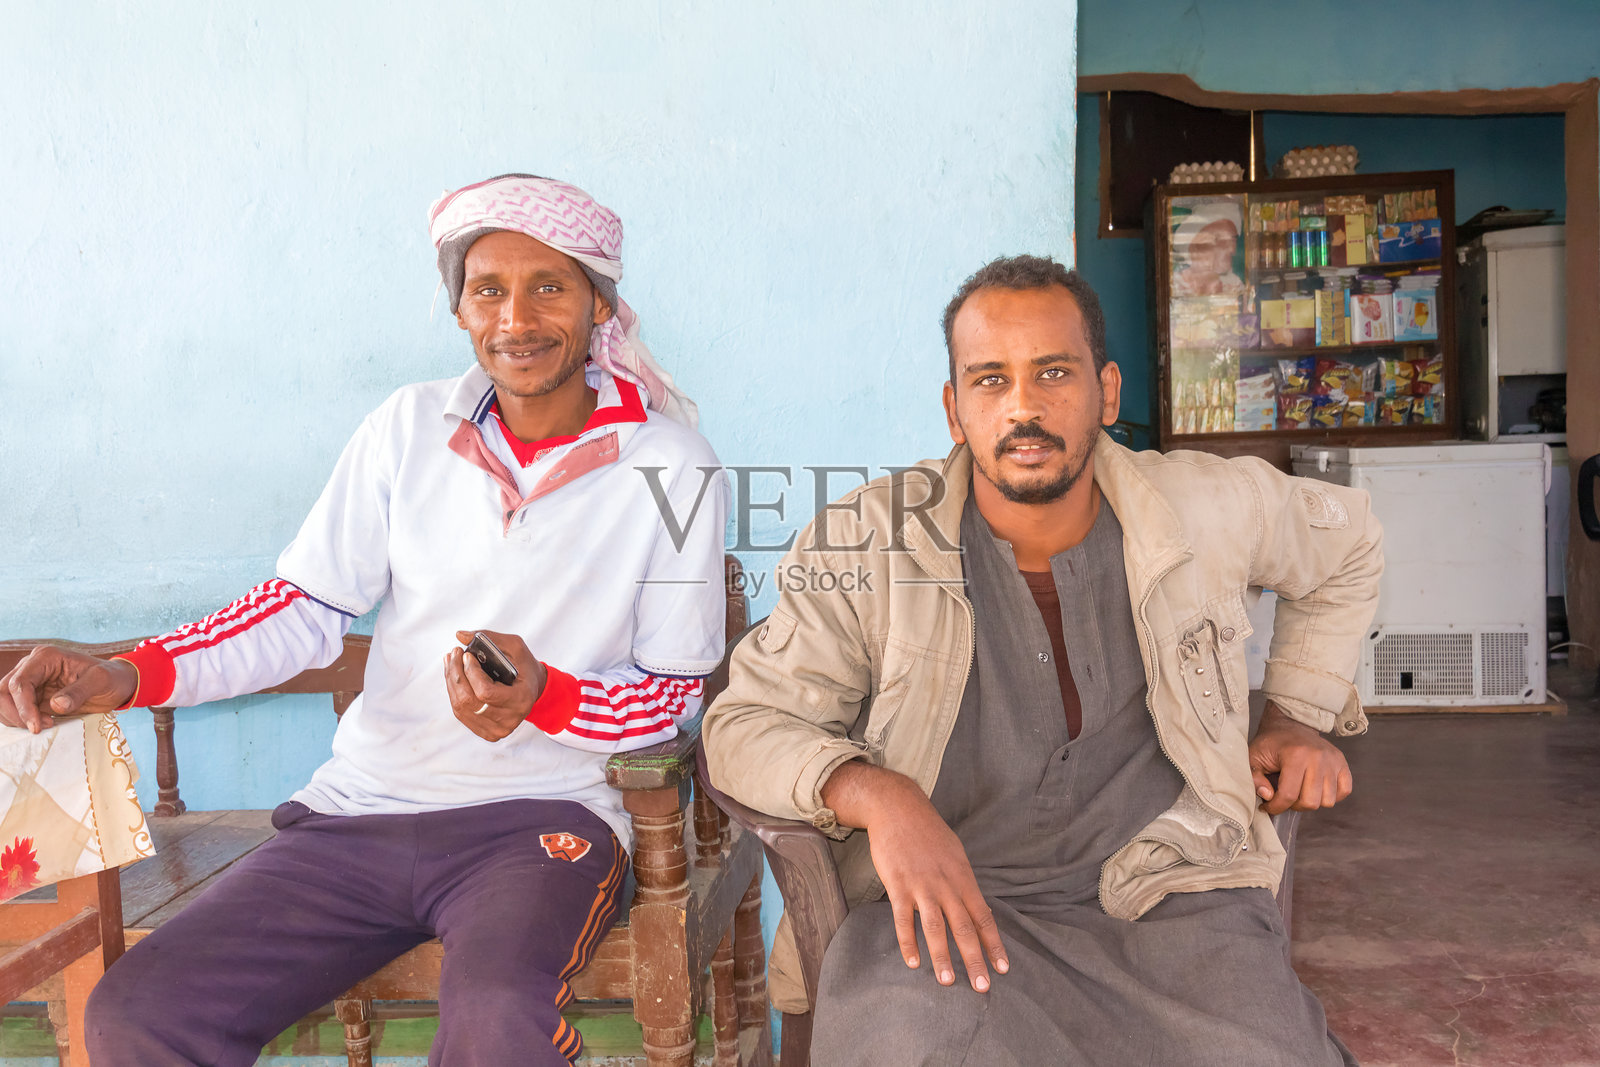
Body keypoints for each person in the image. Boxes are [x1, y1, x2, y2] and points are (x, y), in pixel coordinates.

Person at [0, 174, 729, 1066]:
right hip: (359, 816)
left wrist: (548, 697)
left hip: (543, 825)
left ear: (600, 303)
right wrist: (128, 672)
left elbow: (671, 698)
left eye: (551, 286)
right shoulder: (406, 429)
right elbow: (301, 609)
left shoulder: (674, 466)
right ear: (459, 309)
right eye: (488, 289)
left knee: (499, 1018)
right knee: (140, 1012)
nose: (517, 319)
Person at [703, 255, 1379, 1065]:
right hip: (942, 910)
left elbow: (1348, 544)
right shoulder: (869, 539)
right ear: (955, 410)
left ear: (1109, 392)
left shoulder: (1206, 506)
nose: (1023, 406)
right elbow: (743, 727)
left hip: (1172, 894)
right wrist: (878, 796)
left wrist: (1297, 714)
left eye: (1054, 372)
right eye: (990, 380)